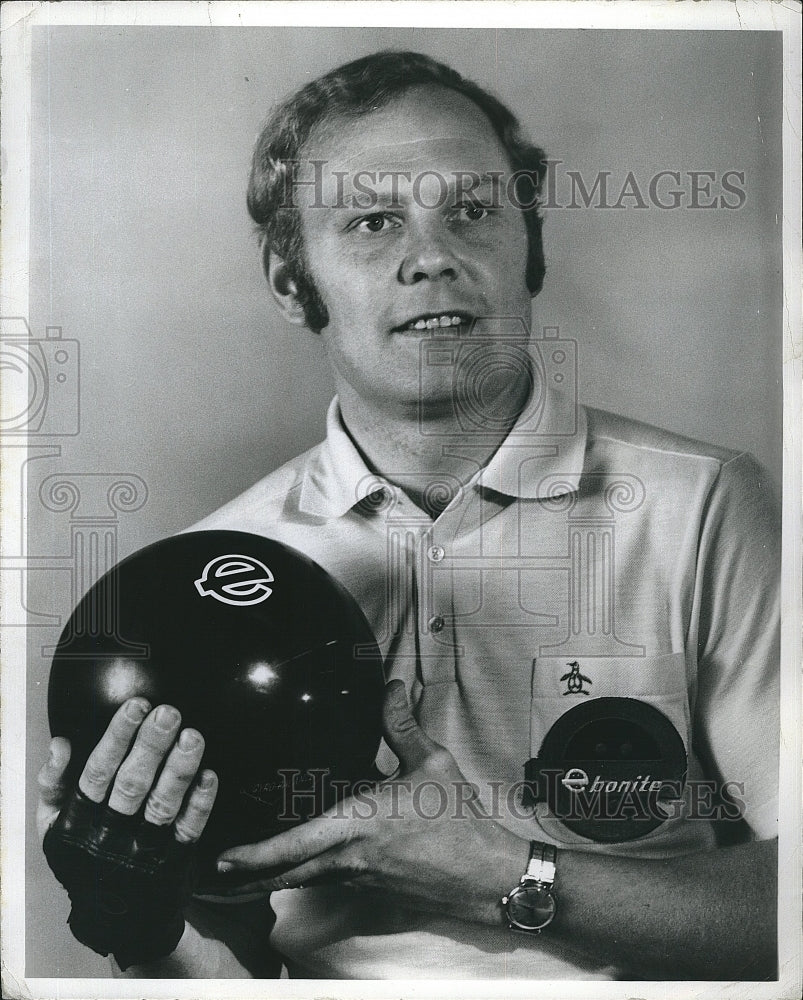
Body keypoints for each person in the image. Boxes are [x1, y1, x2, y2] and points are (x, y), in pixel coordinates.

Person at [37, 51, 779, 981]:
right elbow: (223, 961)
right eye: (372, 220)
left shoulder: (704, 505)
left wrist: (503, 876)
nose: (432, 257)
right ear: (288, 278)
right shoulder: (206, 577)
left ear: (529, 246)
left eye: (471, 211)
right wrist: (151, 933)